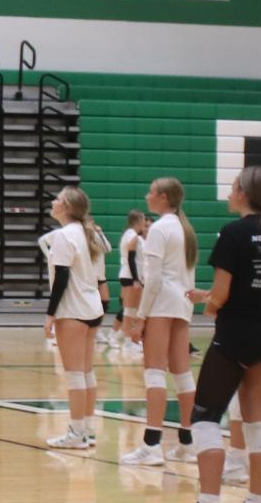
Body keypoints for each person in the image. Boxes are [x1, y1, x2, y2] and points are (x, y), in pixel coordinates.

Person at [163, 167, 261, 503]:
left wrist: (212, 304)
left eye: (233, 185)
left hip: (236, 336)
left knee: (205, 417)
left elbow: (223, 294)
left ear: (242, 192)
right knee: (259, 423)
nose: (229, 190)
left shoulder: (233, 233)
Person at [127, 177, 197, 467]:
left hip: (161, 305)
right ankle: (188, 444)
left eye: (151, 192)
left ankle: (152, 445)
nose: (147, 196)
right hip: (181, 303)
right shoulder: (183, 228)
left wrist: (139, 317)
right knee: (182, 374)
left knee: (154, 373)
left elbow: (152, 279)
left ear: (164, 197)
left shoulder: (159, 229)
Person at [40, 188, 110, 452]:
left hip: (73, 310)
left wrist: (50, 314)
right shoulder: (87, 232)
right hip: (92, 309)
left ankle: (77, 433)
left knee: (74, 376)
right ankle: (87, 429)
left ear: (67, 206)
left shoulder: (64, 235)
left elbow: (62, 279)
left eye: (57, 199)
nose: (53, 201)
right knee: (86, 372)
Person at [117, 209, 148, 358]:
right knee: (130, 310)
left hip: (131, 276)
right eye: (143, 220)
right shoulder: (133, 236)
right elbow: (131, 258)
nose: (144, 223)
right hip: (130, 277)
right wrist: (136, 279)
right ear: (138, 221)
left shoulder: (130, 235)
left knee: (132, 310)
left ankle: (125, 338)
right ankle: (127, 341)